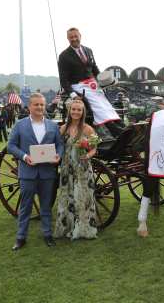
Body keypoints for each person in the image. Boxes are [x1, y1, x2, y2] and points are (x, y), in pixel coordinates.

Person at [7, 93, 64, 251]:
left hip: (47, 173)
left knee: (46, 206)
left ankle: (47, 235)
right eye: (36, 105)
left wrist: (58, 156)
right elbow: (11, 146)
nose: (39, 107)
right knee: (25, 207)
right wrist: (25, 157)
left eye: (42, 105)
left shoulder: (52, 126)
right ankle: (21, 237)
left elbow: (60, 145)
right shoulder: (20, 125)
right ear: (30, 107)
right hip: (28, 173)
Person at [57, 27, 124, 137]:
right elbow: (63, 80)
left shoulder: (88, 50)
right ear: (68, 39)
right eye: (71, 37)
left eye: (75, 36)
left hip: (93, 85)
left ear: (80, 36)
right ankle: (115, 131)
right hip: (79, 86)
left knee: (106, 104)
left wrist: (105, 82)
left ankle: (121, 126)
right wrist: (73, 95)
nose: (74, 39)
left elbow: (94, 69)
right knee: (97, 105)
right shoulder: (64, 56)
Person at [54, 97, 101, 240]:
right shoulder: (63, 128)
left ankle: (83, 229)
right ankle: (67, 227)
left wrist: (88, 154)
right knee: (67, 197)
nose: (76, 112)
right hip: (67, 168)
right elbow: (58, 147)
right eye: (73, 109)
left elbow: (94, 149)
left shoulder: (88, 129)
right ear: (69, 111)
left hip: (82, 169)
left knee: (83, 198)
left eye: (79, 110)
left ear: (82, 112)